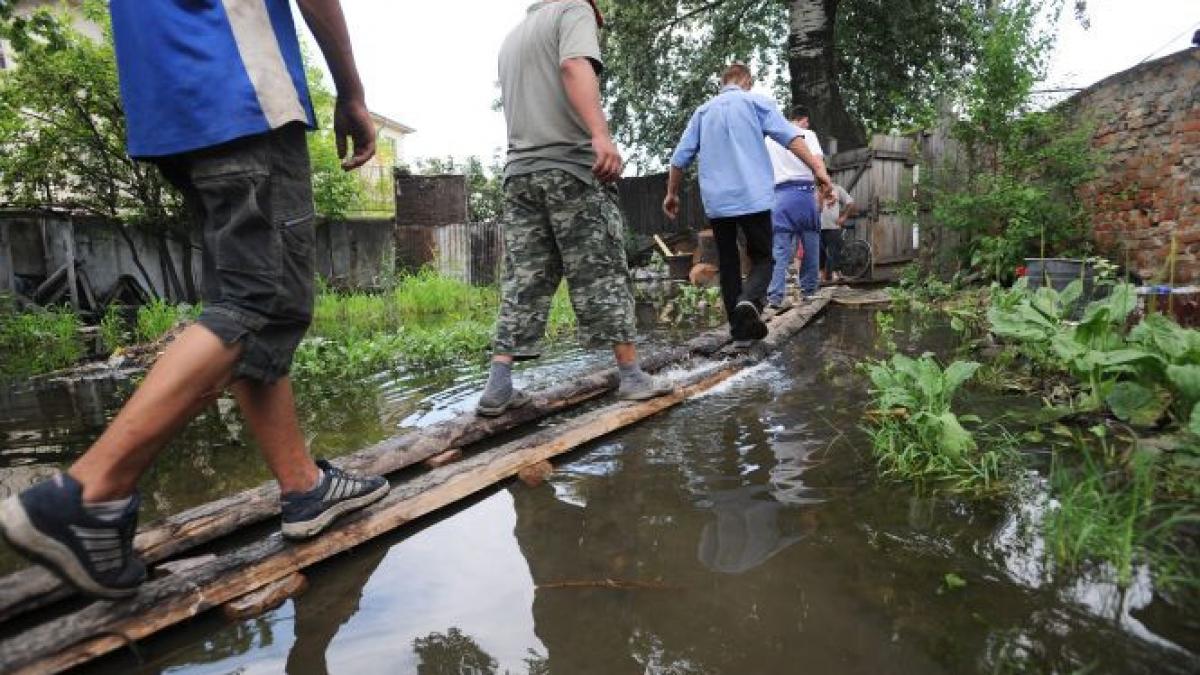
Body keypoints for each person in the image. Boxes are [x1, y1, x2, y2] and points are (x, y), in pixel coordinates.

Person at [0, 0, 389, 599]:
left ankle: (302, 485)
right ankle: (86, 495)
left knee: (257, 300)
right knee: (257, 299)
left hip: (170, 104)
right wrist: (352, 93)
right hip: (239, 85)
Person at [477, 0, 672, 417]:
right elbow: (572, 66)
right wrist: (600, 135)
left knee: (524, 279)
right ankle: (632, 376)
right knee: (602, 269)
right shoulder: (573, 10)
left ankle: (498, 385)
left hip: (519, 174)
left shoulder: (514, 36)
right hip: (570, 170)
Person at [664, 65, 832, 343]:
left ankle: (738, 328)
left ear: (722, 83)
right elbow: (791, 138)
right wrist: (818, 169)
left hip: (719, 203)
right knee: (764, 257)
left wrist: (672, 193)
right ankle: (750, 302)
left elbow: (679, 158)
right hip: (754, 198)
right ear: (747, 81)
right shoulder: (756, 103)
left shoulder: (703, 112)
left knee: (728, 263)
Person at [765, 106, 824, 309]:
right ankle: (809, 292)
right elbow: (817, 162)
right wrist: (825, 187)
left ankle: (774, 297)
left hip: (780, 196)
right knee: (811, 244)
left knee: (779, 250)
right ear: (802, 119)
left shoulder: (769, 139)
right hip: (805, 194)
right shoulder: (807, 134)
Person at [820, 184, 856, 283]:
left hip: (833, 227)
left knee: (835, 252)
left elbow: (850, 202)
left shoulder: (837, 189)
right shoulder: (815, 189)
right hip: (817, 227)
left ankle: (835, 273)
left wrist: (844, 217)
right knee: (820, 253)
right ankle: (821, 276)